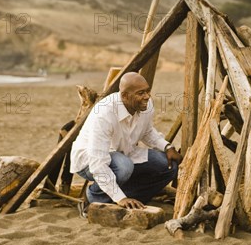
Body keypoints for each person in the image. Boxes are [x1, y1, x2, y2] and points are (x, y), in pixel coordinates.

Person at [70, 72, 182, 213]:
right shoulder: (104, 113)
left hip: (124, 153)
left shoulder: (145, 105)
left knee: (168, 166)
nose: (147, 96)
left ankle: (126, 199)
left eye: (148, 91)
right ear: (124, 96)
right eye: (141, 93)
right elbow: (97, 163)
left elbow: (147, 132)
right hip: (89, 160)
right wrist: (120, 198)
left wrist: (167, 147)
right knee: (124, 167)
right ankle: (93, 199)